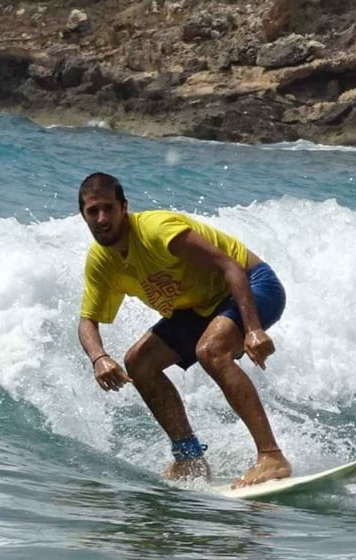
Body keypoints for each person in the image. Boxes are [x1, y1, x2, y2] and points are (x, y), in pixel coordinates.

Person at [75, 172, 291, 487]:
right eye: (93, 211)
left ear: (125, 207)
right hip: (199, 307)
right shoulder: (101, 262)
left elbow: (230, 266)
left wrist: (253, 328)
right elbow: (87, 321)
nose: (102, 218)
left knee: (211, 351)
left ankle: (271, 457)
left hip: (253, 284)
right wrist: (98, 358)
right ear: (83, 215)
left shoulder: (158, 232)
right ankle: (189, 458)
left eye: (109, 208)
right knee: (139, 362)